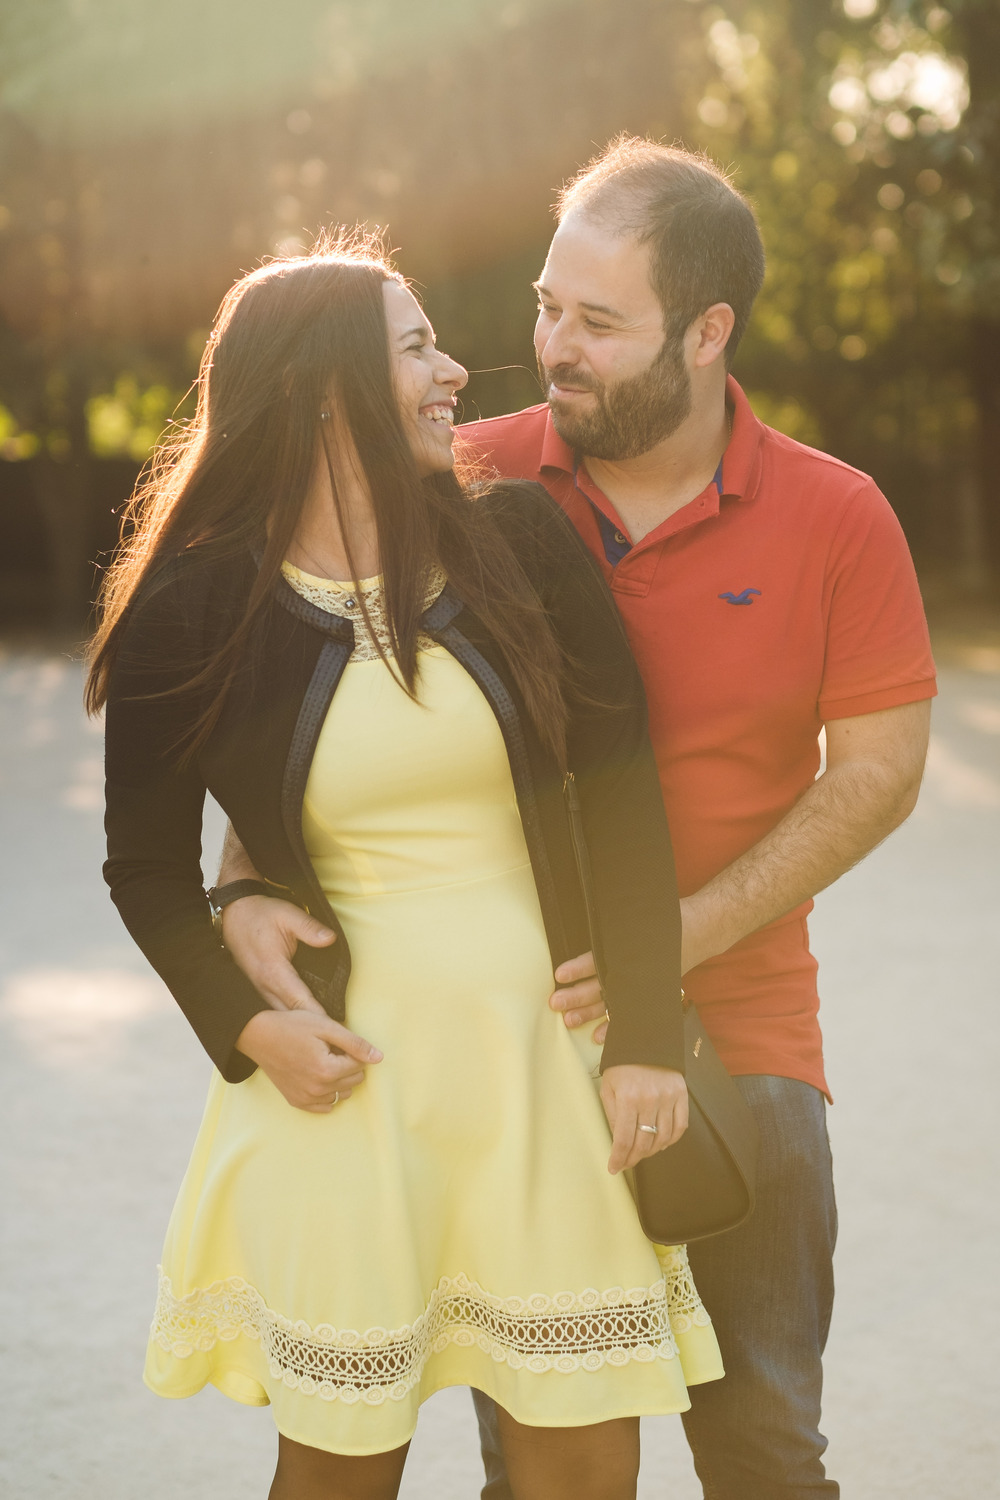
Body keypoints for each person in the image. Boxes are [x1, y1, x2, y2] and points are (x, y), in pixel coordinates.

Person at [217, 142, 936, 1499]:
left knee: (767, 1447)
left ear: (708, 331)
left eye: (598, 324)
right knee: (537, 1456)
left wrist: (675, 940)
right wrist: (240, 881)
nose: (551, 347)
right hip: (514, 1043)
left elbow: (881, 771)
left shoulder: (841, 516)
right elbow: (298, 696)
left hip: (747, 1035)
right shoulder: (452, 476)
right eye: (549, 306)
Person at [87, 232, 724, 1500]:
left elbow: (619, 795)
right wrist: (245, 1029)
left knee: (586, 1452)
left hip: (545, 1072)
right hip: (346, 1085)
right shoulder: (196, 607)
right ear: (327, 388)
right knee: (340, 1463)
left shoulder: (524, 544)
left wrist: (648, 1028)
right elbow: (144, 866)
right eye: (417, 345)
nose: (454, 373)